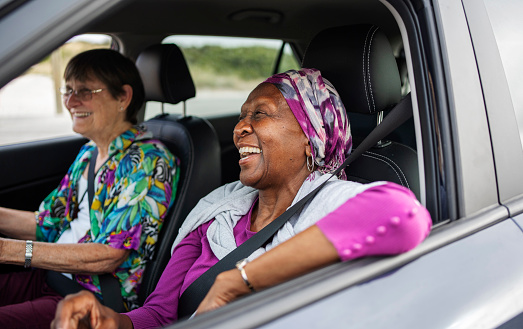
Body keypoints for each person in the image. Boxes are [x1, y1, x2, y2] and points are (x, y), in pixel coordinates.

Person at [51, 68, 431, 329]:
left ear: (309, 135)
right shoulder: (218, 209)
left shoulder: (331, 201)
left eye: (260, 115)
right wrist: (112, 321)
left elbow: (403, 214)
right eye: (241, 115)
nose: (239, 128)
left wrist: (238, 282)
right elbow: (161, 313)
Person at [0, 49, 179, 327]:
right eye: (68, 90)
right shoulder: (89, 153)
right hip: (52, 274)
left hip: (91, 296)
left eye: (85, 90)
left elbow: (109, 255)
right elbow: (48, 223)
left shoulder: (148, 161)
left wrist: (9, 251)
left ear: (123, 97)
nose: (71, 101)